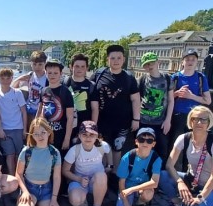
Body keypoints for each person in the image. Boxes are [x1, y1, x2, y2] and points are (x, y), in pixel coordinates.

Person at [90, 44, 140, 174]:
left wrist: (136, 119)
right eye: (112, 58)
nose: (116, 61)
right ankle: (102, 175)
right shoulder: (99, 74)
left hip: (122, 122)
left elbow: (135, 99)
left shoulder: (129, 78)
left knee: (117, 149)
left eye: (119, 58)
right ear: (108, 59)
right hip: (102, 122)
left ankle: (115, 175)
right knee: (102, 149)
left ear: (124, 59)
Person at [160, 106, 213, 206]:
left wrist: (201, 197)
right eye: (195, 119)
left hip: (210, 186)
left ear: (209, 122)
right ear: (190, 121)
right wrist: (180, 183)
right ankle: (177, 203)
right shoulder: (184, 138)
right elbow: (169, 165)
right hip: (192, 180)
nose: (199, 122)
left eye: (203, 119)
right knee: (162, 175)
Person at [15, 118, 62, 206]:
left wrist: (54, 199)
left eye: (43, 132)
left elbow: (56, 177)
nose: (40, 136)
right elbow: (19, 173)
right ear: (32, 135)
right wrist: (25, 191)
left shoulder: (54, 153)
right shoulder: (27, 151)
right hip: (30, 188)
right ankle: (26, 203)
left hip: (46, 191)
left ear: (49, 132)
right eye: (36, 134)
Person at [62, 121, 111, 206]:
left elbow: (109, 151)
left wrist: (109, 166)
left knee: (101, 175)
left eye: (91, 135)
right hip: (79, 180)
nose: (88, 138)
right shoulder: (74, 150)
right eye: (84, 134)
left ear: (96, 136)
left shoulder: (102, 146)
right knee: (75, 200)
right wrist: (79, 179)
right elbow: (65, 170)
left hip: (96, 181)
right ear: (79, 136)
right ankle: (83, 197)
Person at [115, 128, 162, 206]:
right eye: (141, 139)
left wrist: (132, 189)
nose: (145, 143)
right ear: (136, 142)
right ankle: (130, 204)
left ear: (153, 144)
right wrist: (126, 203)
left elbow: (154, 183)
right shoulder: (128, 157)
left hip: (142, 189)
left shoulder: (156, 159)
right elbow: (121, 183)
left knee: (148, 193)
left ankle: (140, 204)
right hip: (126, 189)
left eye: (149, 141)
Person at [138, 52, 174, 166]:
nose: (149, 66)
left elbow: (171, 100)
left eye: (152, 63)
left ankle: (159, 174)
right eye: (146, 64)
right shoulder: (142, 79)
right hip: (143, 121)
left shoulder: (167, 78)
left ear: (158, 62)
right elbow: (136, 100)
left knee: (162, 151)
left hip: (160, 123)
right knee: (143, 150)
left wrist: (168, 120)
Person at [170, 49, 211, 147]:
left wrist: (191, 96)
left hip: (195, 117)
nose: (190, 62)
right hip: (177, 116)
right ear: (182, 62)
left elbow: (208, 101)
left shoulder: (201, 77)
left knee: (192, 144)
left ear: (197, 62)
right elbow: (167, 98)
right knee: (175, 143)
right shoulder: (175, 77)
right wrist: (177, 93)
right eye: (187, 59)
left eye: (193, 59)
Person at [36, 59, 74, 152]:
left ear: (61, 74)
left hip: (60, 135)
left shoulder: (66, 92)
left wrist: (67, 139)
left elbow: (70, 118)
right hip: (46, 135)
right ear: (46, 73)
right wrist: (36, 128)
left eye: (55, 73)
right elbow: (40, 111)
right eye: (49, 73)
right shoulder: (43, 91)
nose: (52, 75)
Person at [0, 67, 27, 176]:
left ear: (11, 79)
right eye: (2, 78)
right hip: (5, 129)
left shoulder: (17, 93)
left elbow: (23, 111)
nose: (5, 81)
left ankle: (19, 175)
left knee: (19, 154)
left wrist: (25, 129)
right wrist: (0, 130)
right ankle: (11, 176)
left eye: (8, 78)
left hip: (18, 128)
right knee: (9, 154)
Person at [12, 50, 48, 128]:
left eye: (40, 64)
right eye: (34, 64)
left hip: (42, 111)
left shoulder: (47, 78)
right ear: (31, 64)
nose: (37, 67)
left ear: (45, 64)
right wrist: (19, 79)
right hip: (29, 109)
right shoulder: (30, 75)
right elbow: (12, 88)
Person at [63, 53, 96, 138]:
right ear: (71, 67)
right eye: (77, 66)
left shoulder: (91, 86)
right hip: (66, 125)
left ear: (87, 68)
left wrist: (93, 128)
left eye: (82, 66)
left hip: (84, 128)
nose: (79, 69)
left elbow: (95, 109)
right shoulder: (65, 83)